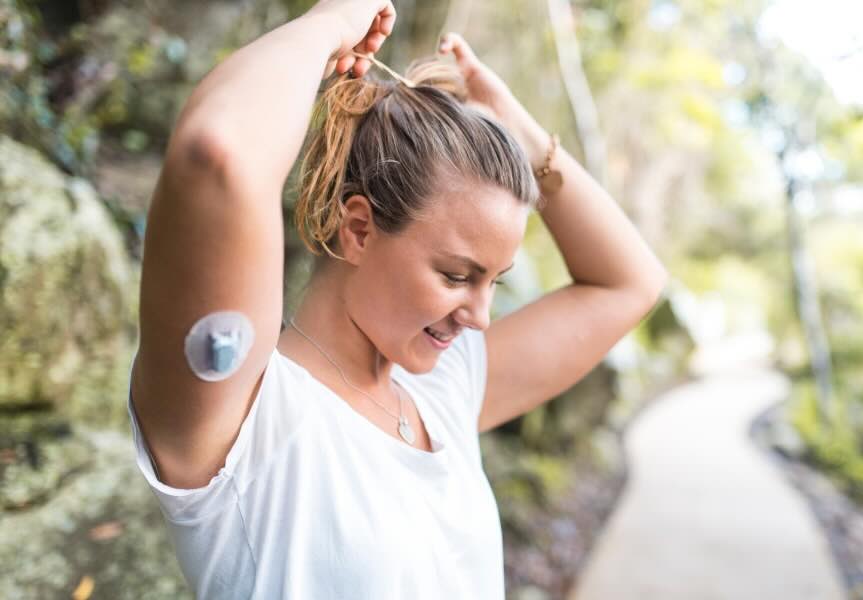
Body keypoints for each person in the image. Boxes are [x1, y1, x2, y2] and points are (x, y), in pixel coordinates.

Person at [125, 0, 668, 597]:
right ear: (359, 229)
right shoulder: (242, 418)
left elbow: (630, 282)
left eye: (496, 281)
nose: (481, 316)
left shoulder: (443, 392)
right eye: (458, 275)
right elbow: (218, 154)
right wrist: (331, 22)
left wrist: (514, 124)